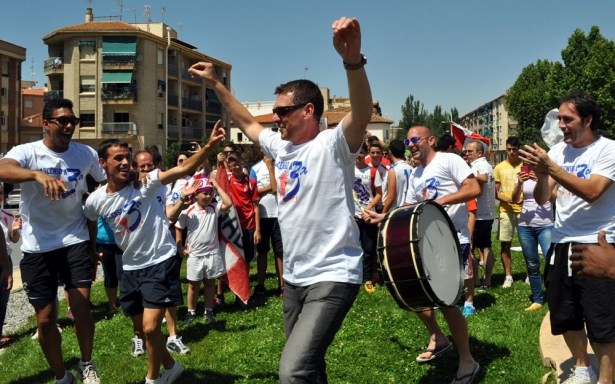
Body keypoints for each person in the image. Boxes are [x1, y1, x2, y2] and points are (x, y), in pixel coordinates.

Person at [189, 16, 372, 383]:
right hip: (296, 278)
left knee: (293, 371)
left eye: (282, 111)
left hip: (333, 274)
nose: (276, 118)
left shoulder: (333, 144)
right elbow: (245, 121)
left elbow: (362, 111)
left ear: (308, 110)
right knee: (309, 366)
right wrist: (216, 85)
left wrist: (352, 61)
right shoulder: (281, 146)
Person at [84, 125, 224, 384]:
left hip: (159, 261)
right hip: (131, 267)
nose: (126, 163)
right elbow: (90, 221)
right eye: (119, 158)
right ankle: (171, 366)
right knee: (141, 329)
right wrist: (92, 250)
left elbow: (181, 169)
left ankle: (153, 378)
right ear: (103, 163)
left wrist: (209, 146)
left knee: (150, 328)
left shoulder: (145, 183)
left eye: (128, 157)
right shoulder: (96, 200)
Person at [363, 126, 481, 384]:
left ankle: (467, 361)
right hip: (427, 241)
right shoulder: (417, 172)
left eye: (415, 139)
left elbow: (473, 188)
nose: (411, 144)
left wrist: (442, 201)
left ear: (430, 140)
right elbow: (411, 206)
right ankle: (438, 337)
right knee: (414, 292)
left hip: (453, 238)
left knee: (448, 302)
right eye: (408, 141)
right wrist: (384, 217)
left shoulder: (449, 160)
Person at [0, 98, 106, 384]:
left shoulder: (85, 154)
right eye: (62, 120)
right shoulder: (28, 152)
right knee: (45, 320)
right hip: (37, 246)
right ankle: (62, 376)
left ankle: (86, 363)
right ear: (46, 123)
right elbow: (3, 168)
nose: (69, 126)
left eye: (73, 121)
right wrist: (35, 174)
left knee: (82, 308)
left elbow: (105, 183)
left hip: (75, 239)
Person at [520, 91, 615, 384]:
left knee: (602, 320)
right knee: (566, 313)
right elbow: (544, 198)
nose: (560, 125)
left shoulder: (608, 150)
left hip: (598, 243)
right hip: (562, 242)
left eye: (567, 119)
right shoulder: (558, 152)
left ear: (587, 120)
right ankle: (583, 368)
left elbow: (592, 192)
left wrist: (551, 168)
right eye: (559, 118)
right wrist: (541, 175)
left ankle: (606, 379)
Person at [134, 150, 193, 356]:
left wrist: (182, 200)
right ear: (135, 168)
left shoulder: (163, 187)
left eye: (150, 165)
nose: (147, 170)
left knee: (169, 296)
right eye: (142, 167)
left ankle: (173, 337)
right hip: (137, 254)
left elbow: (170, 216)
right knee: (140, 298)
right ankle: (140, 336)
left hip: (163, 250)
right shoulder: (129, 188)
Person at [176, 178, 232, 325]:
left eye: (210, 193)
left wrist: (217, 186)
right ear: (196, 195)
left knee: (210, 283)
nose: (208, 196)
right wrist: (180, 246)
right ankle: (191, 312)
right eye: (204, 193)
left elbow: (229, 203)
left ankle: (208, 311)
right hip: (195, 254)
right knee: (193, 285)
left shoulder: (214, 208)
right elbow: (179, 227)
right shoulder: (188, 210)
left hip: (212, 253)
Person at [510, 169, 554, 311]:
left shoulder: (548, 175)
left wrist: (541, 182)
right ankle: (537, 299)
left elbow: (555, 199)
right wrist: (519, 184)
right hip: (525, 226)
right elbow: (515, 199)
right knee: (532, 264)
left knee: (551, 261)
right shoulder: (523, 177)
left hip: (546, 225)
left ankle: (555, 296)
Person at [250, 154, 284, 297]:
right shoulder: (255, 168)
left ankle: (282, 285)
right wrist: (271, 186)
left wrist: (271, 167)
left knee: (280, 251)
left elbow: (278, 190)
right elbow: (253, 192)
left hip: (279, 214)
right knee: (262, 251)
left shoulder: (281, 167)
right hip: (262, 215)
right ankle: (260, 285)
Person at [465, 141, 496, 291]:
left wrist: (468, 179)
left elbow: (482, 178)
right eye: (467, 151)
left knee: (471, 247)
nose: (467, 153)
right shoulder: (487, 165)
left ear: (479, 153)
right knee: (486, 246)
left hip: (477, 213)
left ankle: (477, 280)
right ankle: (486, 279)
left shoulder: (478, 166)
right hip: (487, 212)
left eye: (470, 151)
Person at [493, 136, 523, 287]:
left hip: (524, 210)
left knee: (528, 244)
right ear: (506, 149)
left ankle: (530, 275)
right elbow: (495, 192)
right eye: (509, 149)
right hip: (506, 210)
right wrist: (507, 199)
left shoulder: (525, 166)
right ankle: (508, 276)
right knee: (505, 244)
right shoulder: (499, 168)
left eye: (514, 150)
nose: (511, 152)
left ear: (519, 149)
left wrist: (522, 198)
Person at [354, 142, 383, 293]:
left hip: (367, 216)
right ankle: (352, 278)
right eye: (356, 152)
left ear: (365, 153)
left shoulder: (372, 172)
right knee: (351, 248)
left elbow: (379, 194)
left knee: (368, 248)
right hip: (352, 217)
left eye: (361, 152)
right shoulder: (347, 170)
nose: (358, 155)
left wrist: (369, 207)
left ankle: (367, 279)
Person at [0, 185, 20, 347]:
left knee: (3, 299)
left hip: (5, 259)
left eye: (0, 193)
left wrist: (13, 231)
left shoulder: (7, 215)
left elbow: (14, 240)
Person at [382, 139, 413, 213]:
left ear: (390, 152)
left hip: (397, 211)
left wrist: (382, 215)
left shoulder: (393, 170)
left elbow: (391, 197)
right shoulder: (411, 168)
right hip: (410, 209)